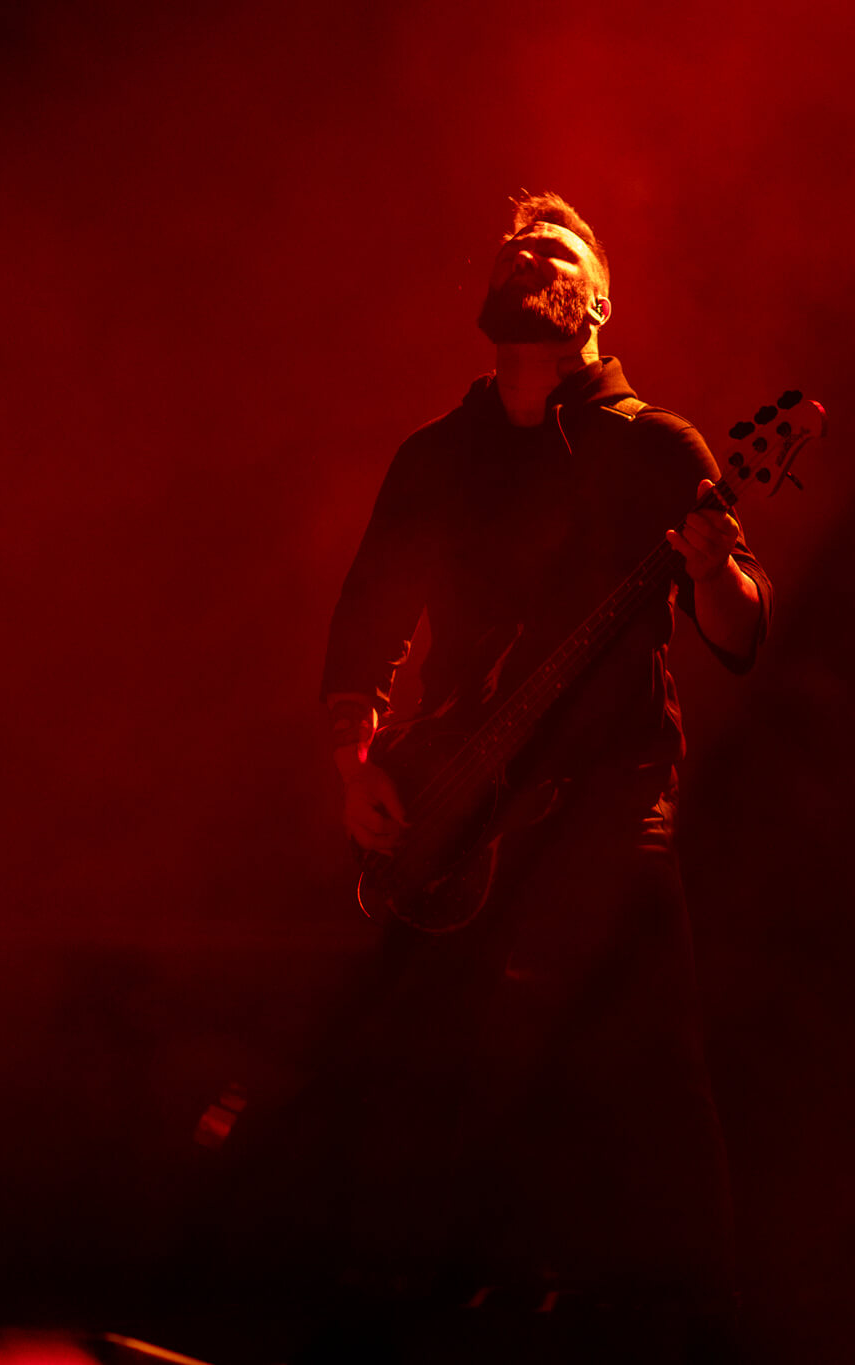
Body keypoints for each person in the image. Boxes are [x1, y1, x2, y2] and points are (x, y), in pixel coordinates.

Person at [314, 191, 771, 1327]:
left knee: (646, 1054)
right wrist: (355, 763)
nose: (534, 255)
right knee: (433, 1058)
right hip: (464, 791)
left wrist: (712, 567)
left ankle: (687, 1311)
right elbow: (368, 619)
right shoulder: (436, 456)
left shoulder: (657, 446)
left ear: (597, 307)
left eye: (558, 251)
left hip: (611, 790)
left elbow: (737, 633)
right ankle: (429, 1296)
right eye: (518, 249)